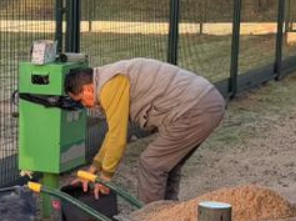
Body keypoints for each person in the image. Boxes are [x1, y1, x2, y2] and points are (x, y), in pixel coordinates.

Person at [66, 58, 226, 203]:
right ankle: (168, 216)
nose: (84, 106)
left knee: (151, 164)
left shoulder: (110, 85)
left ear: (87, 89)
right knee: (168, 163)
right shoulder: (109, 78)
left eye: (80, 100)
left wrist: (106, 176)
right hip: (205, 101)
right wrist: (94, 168)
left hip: (194, 109)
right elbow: (112, 134)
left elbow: (118, 136)